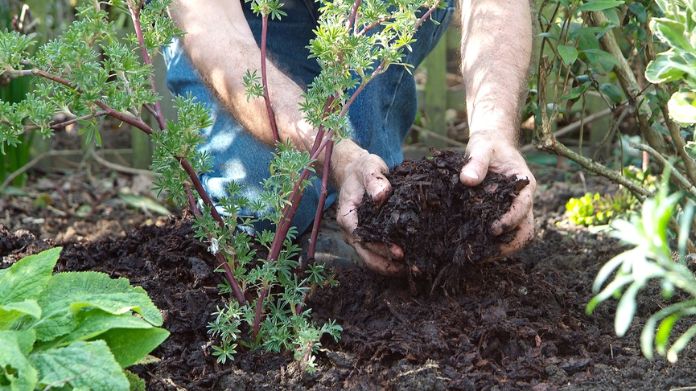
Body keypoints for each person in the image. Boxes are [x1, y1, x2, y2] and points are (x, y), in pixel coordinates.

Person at [165, 0, 536, 275]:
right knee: (255, 223)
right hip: (249, 18)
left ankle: (365, 193)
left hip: (377, 8)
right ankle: (353, 180)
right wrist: (337, 155)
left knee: (368, 210)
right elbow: (216, 30)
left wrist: (493, 129)